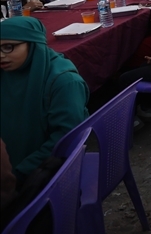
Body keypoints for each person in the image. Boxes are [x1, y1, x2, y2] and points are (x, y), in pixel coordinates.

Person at [0, 17, 89, 181]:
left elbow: (65, 137)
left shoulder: (64, 82)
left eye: (8, 47)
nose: (1, 55)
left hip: (41, 174)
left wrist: (18, 174)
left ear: (33, 44)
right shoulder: (6, 74)